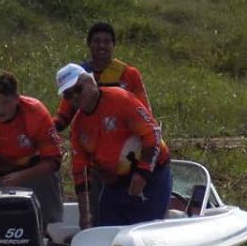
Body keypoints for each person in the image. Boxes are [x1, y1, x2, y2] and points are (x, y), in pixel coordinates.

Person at [55, 63, 172, 229]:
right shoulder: (78, 127)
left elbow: (152, 133)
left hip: (151, 173)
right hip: (115, 182)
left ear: (90, 82)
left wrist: (143, 172)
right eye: (68, 95)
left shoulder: (121, 99)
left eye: (78, 89)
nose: (74, 97)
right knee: (106, 229)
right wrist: (85, 213)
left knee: (147, 228)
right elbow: (80, 172)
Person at [0, 71, 64, 225]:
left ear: (17, 99)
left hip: (32, 171)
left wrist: (22, 176)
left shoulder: (36, 113)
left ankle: (50, 230)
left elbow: (54, 161)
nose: (0, 110)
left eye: (5, 102)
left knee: (46, 178)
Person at [53, 21, 151, 132]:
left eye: (107, 41)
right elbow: (63, 115)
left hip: (124, 135)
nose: (102, 46)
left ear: (114, 45)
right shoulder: (78, 76)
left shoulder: (129, 74)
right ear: (89, 44)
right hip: (89, 137)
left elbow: (145, 112)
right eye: (96, 41)